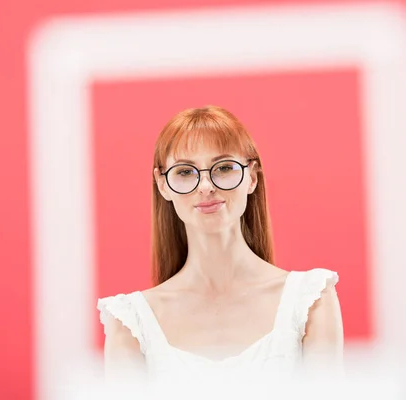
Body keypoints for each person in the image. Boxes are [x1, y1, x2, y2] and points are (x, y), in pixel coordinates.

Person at [97, 105, 343, 386]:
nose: (205, 186)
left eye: (223, 167)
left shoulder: (311, 299)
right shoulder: (131, 321)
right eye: (185, 172)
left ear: (251, 176)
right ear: (162, 185)